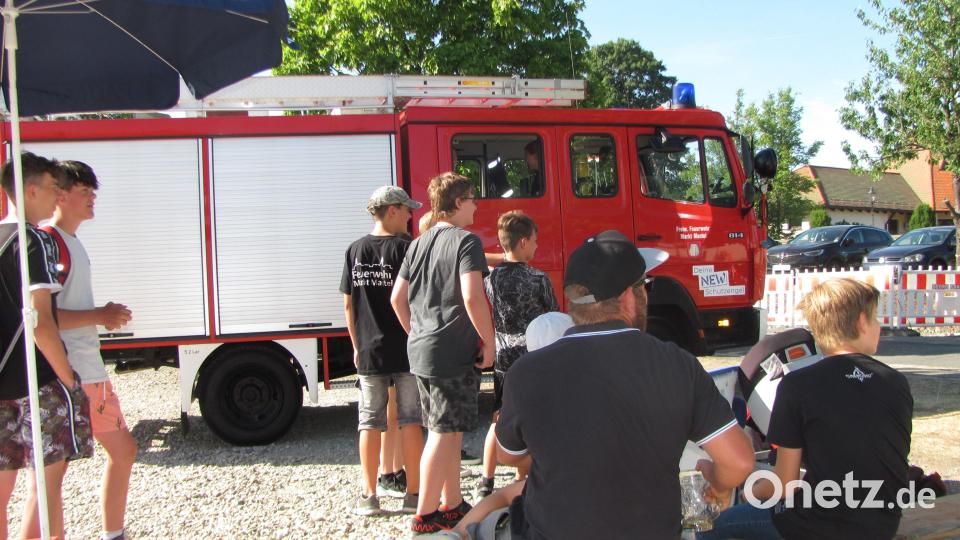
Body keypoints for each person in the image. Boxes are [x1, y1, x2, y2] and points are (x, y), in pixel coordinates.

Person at [495, 230, 755, 539]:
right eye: (645, 286)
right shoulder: (677, 364)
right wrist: (719, 485)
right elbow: (738, 462)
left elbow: (507, 455)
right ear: (628, 298)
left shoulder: (526, 371)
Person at [698, 278, 913, 540]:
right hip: (881, 524)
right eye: (876, 319)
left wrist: (751, 492)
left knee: (712, 527)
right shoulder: (896, 383)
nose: (879, 327)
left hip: (819, 525)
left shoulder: (797, 384)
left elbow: (784, 484)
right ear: (861, 322)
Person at [391, 172, 495, 535]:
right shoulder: (467, 242)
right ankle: (425, 515)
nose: (476, 205)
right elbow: (472, 296)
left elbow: (396, 299)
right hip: (451, 352)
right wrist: (490, 341)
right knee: (441, 431)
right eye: (471, 198)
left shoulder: (416, 243)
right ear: (456, 203)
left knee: (447, 430)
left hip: (421, 351)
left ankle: (451, 504)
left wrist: (417, 333)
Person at [0, 152, 93, 540]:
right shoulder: (36, 241)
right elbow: (40, 321)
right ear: (31, 189)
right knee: (47, 485)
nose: (57, 196)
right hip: (35, 381)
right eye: (54, 188)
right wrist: (68, 379)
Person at [43, 160, 136, 540]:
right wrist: (100, 314)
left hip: (84, 370)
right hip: (70, 373)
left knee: (121, 452)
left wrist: (101, 316)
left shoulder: (70, 242)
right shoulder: (51, 243)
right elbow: (43, 317)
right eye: (85, 191)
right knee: (53, 472)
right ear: (59, 195)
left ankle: (113, 534)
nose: (92, 198)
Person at [341, 185, 425, 516]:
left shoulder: (354, 249)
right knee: (410, 420)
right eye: (406, 210)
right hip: (406, 348)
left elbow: (348, 304)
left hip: (369, 351)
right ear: (391, 210)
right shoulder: (408, 248)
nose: (410, 215)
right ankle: (414, 494)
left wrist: (356, 346)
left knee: (369, 422)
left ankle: (369, 495)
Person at [452, 311, 573, 540]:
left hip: (548, 500)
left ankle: (456, 533)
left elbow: (507, 455)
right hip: (578, 488)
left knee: (505, 498)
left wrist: (542, 459)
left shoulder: (524, 387)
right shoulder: (593, 387)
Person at [475, 211, 558, 500]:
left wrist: (504, 255)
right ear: (523, 242)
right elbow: (552, 317)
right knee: (531, 419)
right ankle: (522, 479)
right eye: (534, 241)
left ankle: (485, 480)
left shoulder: (491, 280)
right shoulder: (538, 278)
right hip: (533, 358)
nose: (536, 246)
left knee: (498, 419)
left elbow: (484, 261)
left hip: (503, 359)